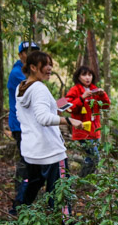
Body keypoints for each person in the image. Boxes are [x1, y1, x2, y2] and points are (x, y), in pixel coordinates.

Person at [15, 51, 82, 213]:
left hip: (32, 151)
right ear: (32, 67)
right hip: (51, 152)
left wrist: (77, 99)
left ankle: (20, 216)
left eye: (50, 64)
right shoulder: (39, 89)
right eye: (45, 65)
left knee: (31, 186)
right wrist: (68, 120)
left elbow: (52, 107)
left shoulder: (22, 87)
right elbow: (44, 117)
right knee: (61, 193)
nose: (49, 68)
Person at [7, 41, 40, 212]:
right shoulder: (18, 74)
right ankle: (18, 204)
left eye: (35, 51)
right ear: (21, 55)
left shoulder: (26, 72)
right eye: (28, 51)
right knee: (27, 163)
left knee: (32, 163)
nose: (32, 54)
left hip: (28, 125)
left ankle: (24, 202)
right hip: (21, 126)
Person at [65, 66, 111, 177]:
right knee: (94, 158)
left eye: (89, 75)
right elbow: (69, 108)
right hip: (82, 130)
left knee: (90, 158)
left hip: (95, 130)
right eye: (84, 75)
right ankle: (82, 180)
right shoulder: (74, 90)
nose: (87, 78)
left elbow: (106, 106)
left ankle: (85, 181)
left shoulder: (94, 89)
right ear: (78, 77)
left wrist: (103, 95)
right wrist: (82, 97)